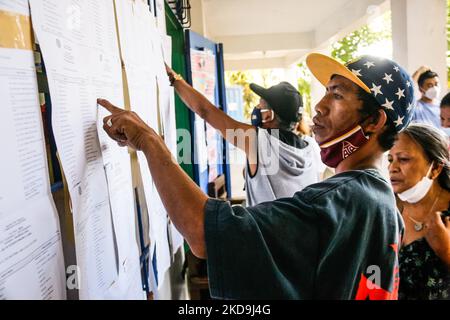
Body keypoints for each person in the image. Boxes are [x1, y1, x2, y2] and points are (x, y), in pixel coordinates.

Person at [97, 53, 415, 299]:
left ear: (374, 121)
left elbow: (202, 234)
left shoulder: (335, 199)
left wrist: (150, 142)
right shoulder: (383, 200)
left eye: (336, 95)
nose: (319, 106)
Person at [166, 66, 323, 206]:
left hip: (266, 237)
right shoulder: (311, 147)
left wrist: (174, 78)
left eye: (259, 107)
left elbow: (205, 111)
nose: (255, 110)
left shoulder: (258, 141)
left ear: (268, 115)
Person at [387, 123, 450, 300]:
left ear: (436, 168)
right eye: (390, 159)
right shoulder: (388, 206)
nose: (393, 168)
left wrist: (446, 251)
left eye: (404, 159)